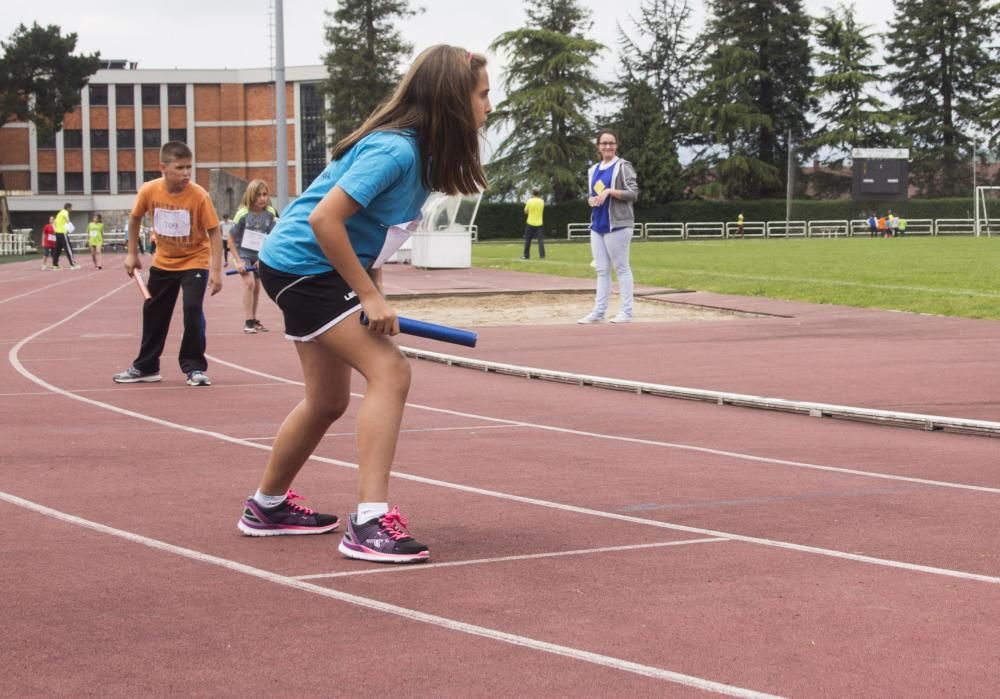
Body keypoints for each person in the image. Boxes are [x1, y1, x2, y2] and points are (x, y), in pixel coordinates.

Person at [236, 45, 491, 564]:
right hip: (304, 268)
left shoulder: (423, 157)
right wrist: (369, 296)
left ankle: (266, 506)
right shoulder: (395, 151)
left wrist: (374, 292)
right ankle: (370, 522)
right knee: (390, 372)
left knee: (328, 401)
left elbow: (367, 230)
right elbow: (325, 220)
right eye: (483, 94)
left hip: (316, 270)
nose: (489, 105)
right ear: (452, 99)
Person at [112, 141, 223, 386]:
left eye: (189, 168)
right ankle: (146, 366)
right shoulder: (149, 191)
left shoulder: (199, 195)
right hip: (163, 261)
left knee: (192, 308)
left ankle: (194, 367)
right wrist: (132, 254)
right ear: (163, 167)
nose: (186, 173)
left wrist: (216, 271)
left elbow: (215, 232)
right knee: (154, 312)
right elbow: (134, 220)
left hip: (195, 260)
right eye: (180, 167)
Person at [577, 128, 638, 324]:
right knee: (602, 270)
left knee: (621, 268)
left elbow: (633, 193)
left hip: (618, 224)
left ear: (616, 145)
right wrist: (591, 201)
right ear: (598, 147)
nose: (608, 147)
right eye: (604, 143)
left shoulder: (623, 166)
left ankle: (626, 312)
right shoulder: (592, 170)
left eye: (611, 143)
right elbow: (592, 195)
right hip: (598, 224)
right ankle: (599, 311)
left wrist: (611, 191)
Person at [228, 180, 278, 333]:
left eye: (265, 194)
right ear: (251, 195)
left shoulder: (270, 213)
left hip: (259, 255)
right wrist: (238, 261)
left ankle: (254, 320)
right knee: (249, 283)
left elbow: (273, 236)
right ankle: (248, 321)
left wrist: (263, 257)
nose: (262, 198)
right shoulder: (243, 214)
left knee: (257, 286)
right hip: (242, 253)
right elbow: (230, 239)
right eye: (258, 195)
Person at [51, 203, 79, 270]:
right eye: (71, 208)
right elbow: (67, 220)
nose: (71, 209)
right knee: (68, 249)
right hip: (63, 233)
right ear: (68, 208)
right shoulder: (65, 212)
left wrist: (55, 230)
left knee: (57, 250)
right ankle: (72, 264)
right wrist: (69, 226)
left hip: (58, 234)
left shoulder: (59, 213)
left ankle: (55, 265)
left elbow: (54, 223)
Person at [521, 188, 545, 259]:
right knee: (540, 240)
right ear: (538, 193)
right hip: (539, 223)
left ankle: (526, 255)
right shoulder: (542, 201)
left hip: (530, 223)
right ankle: (542, 255)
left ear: (532, 193)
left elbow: (525, 211)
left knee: (528, 240)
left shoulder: (529, 201)